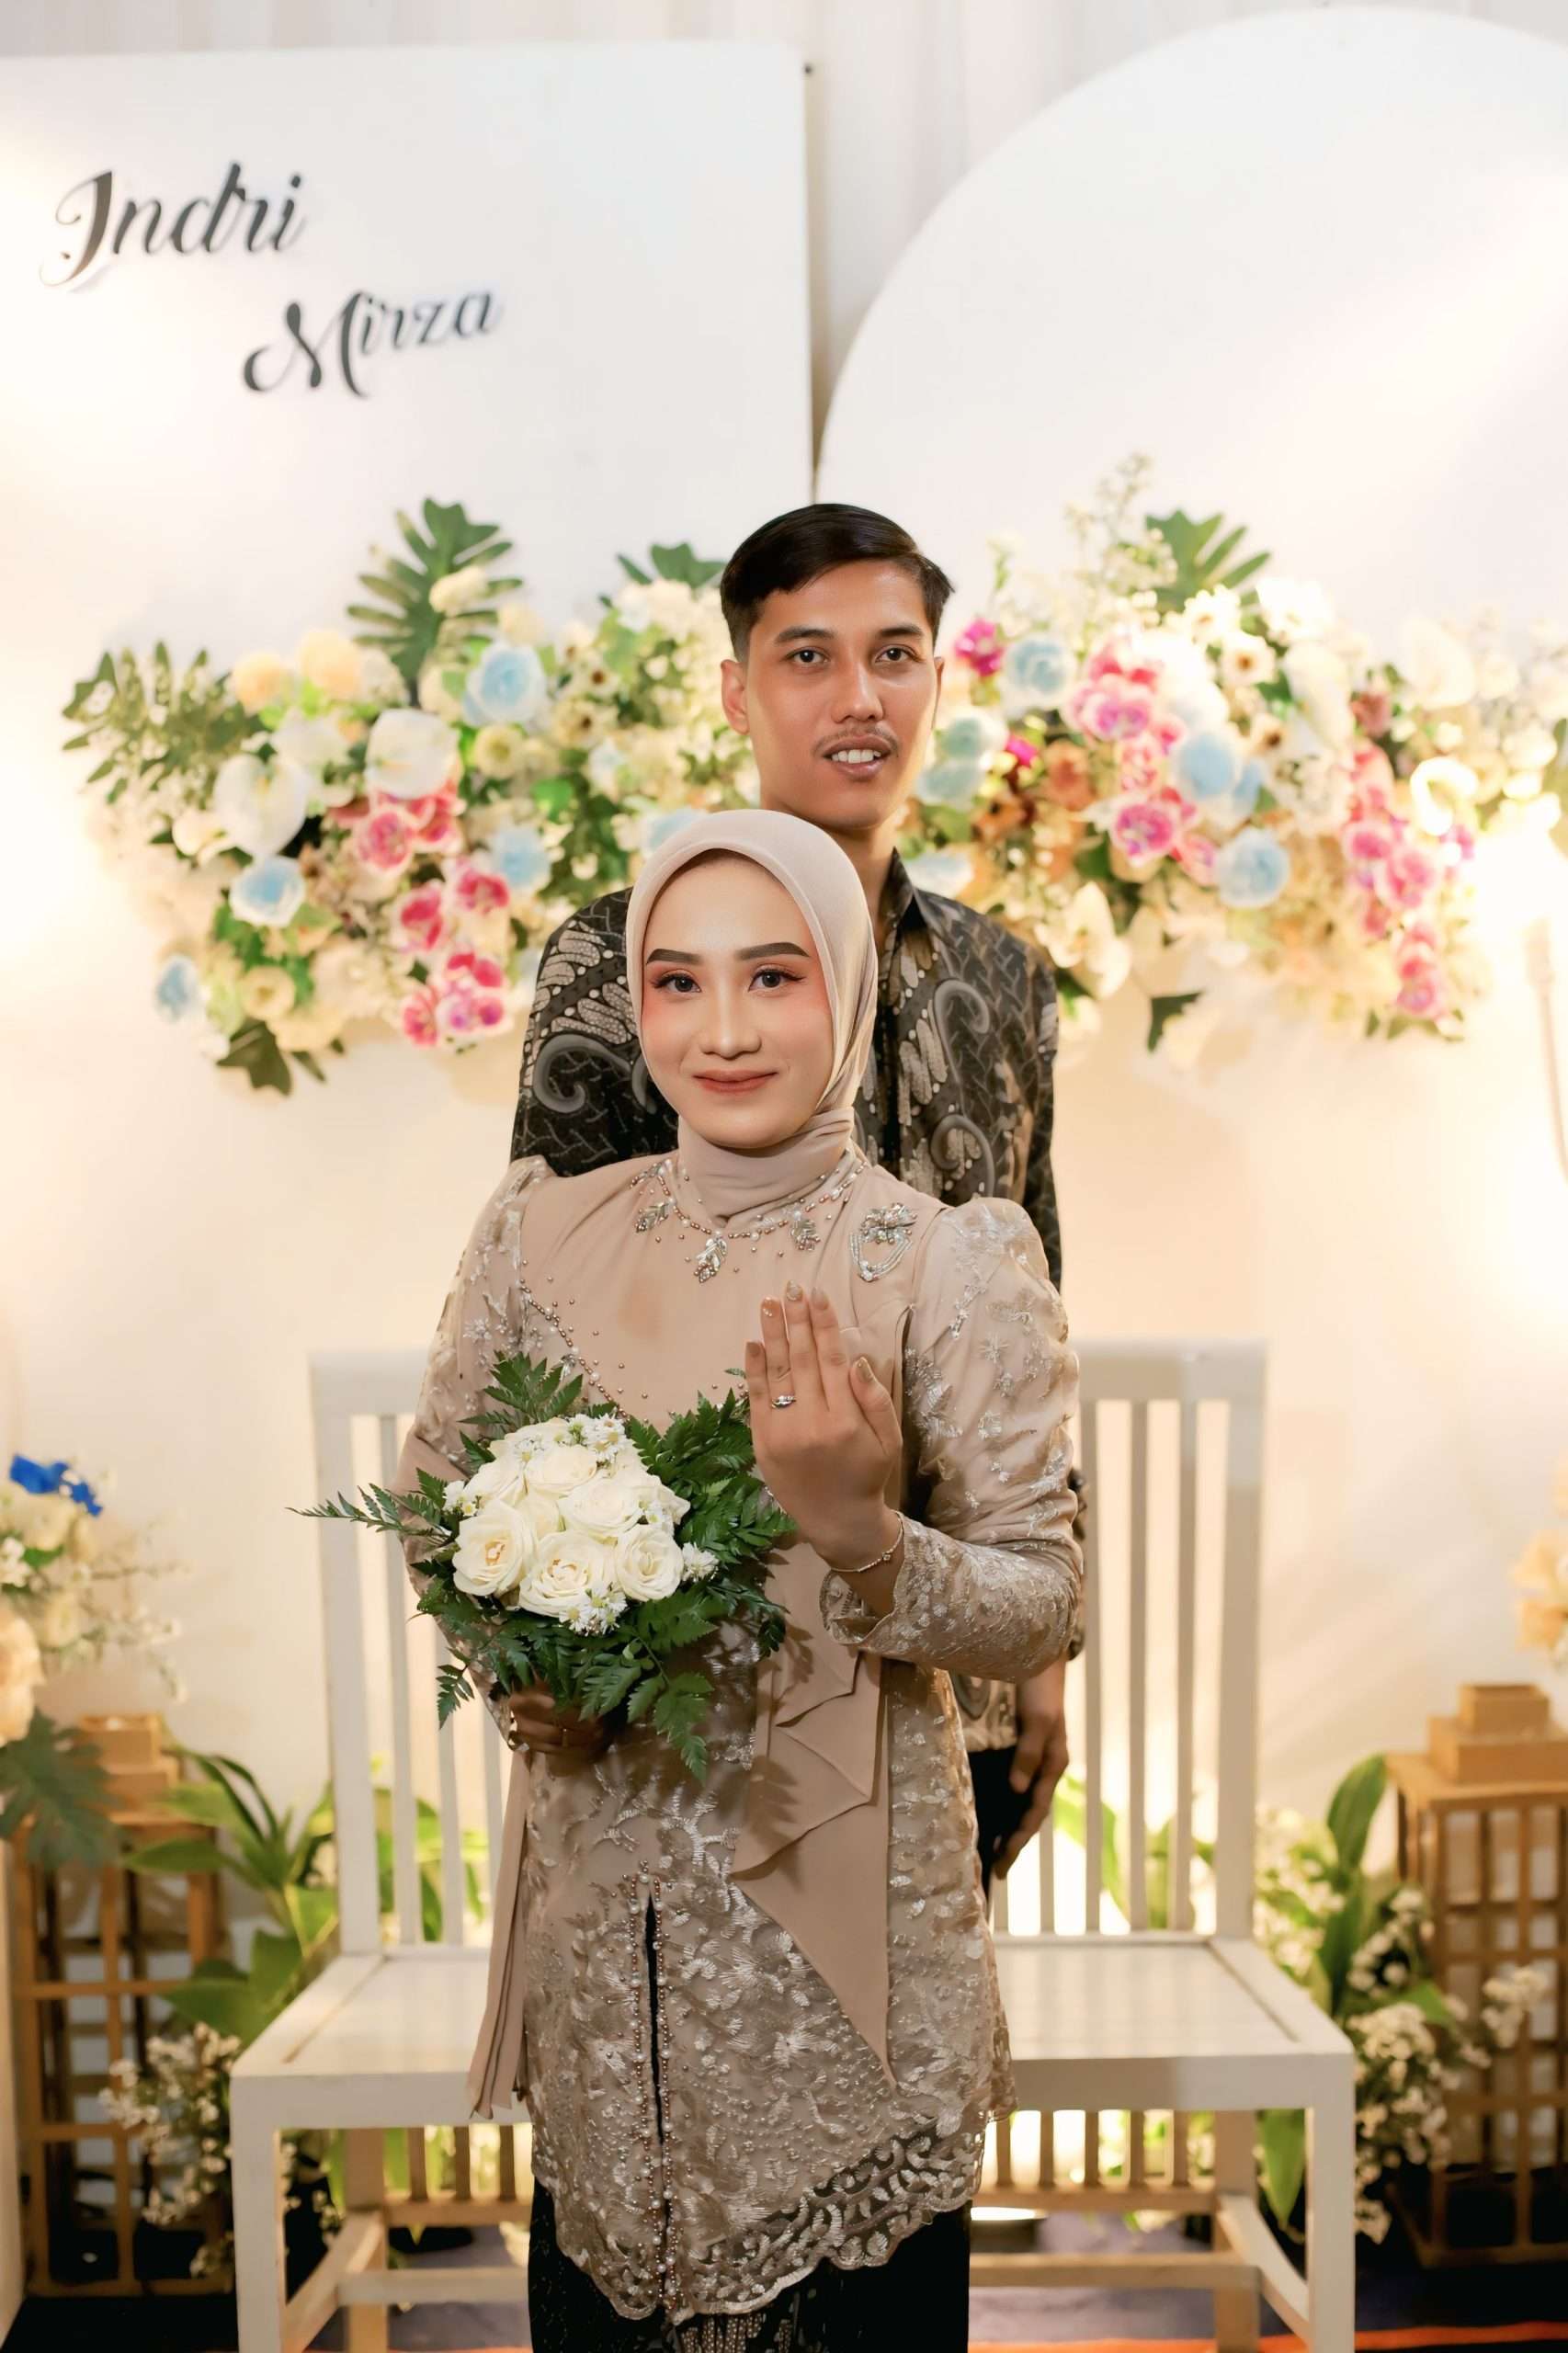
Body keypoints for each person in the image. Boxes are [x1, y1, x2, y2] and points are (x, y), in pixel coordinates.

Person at [401, 811, 1083, 2349]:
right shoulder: (538, 1232)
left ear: (846, 988)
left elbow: (1040, 1601)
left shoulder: (943, 1259)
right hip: (602, 1928)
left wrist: (860, 1535)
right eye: (676, 981)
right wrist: (523, 1672)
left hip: (845, 1969)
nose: (720, 1030)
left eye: (773, 976)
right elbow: (441, 1504)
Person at [510, 501, 1077, 1893]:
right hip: (691, 1679)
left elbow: (1041, 1316)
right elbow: (550, 1322)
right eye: (807, 656)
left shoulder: (1003, 978)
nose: (857, 696)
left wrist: (1046, 1662)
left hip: (954, 1663)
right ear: (736, 689)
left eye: (895, 654)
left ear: (936, 680)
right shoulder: (619, 963)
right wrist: (554, 1641)